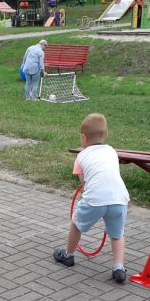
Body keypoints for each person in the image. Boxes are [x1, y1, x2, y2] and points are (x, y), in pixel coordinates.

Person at [53, 113, 129, 284]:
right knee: (117, 234)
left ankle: (68, 255)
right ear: (106, 135)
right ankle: (118, 267)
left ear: (83, 137)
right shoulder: (111, 151)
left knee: (76, 224)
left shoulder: (81, 156)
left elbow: (84, 182)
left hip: (95, 199)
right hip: (119, 199)